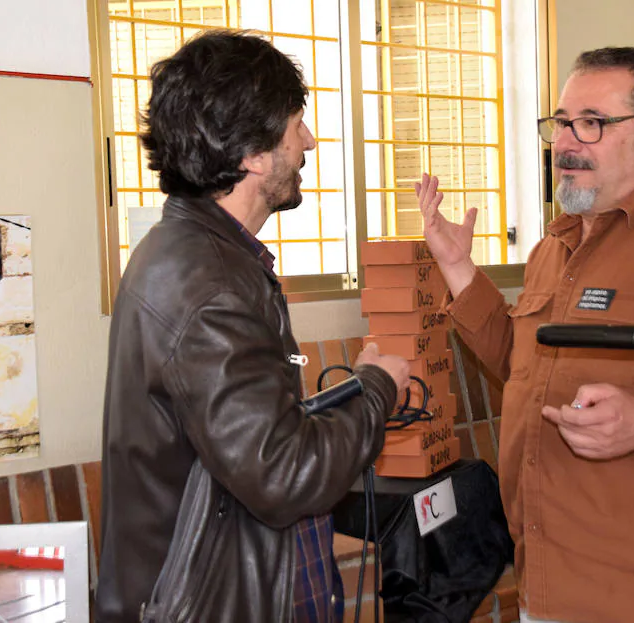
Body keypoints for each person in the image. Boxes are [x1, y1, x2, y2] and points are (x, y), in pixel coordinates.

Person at [415, 47, 634, 622]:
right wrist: (458, 268)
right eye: (561, 122)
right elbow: (522, 365)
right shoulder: (555, 247)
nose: (566, 142)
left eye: (593, 123)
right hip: (549, 581)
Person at [96, 30, 410, 623]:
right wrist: (375, 388)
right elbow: (286, 474)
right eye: (297, 125)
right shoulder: (209, 284)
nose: (309, 142)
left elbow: (246, 442)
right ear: (254, 152)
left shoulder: (192, 254)